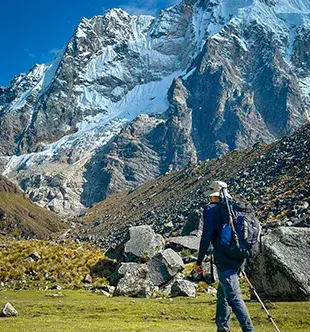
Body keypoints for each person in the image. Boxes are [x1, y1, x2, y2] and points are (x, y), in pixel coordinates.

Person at [195, 180, 255, 332]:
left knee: (234, 298)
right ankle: (222, 328)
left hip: (224, 258)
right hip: (239, 257)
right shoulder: (236, 207)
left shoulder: (211, 209)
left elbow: (206, 236)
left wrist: (199, 261)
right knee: (223, 293)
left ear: (213, 195)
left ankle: (249, 330)